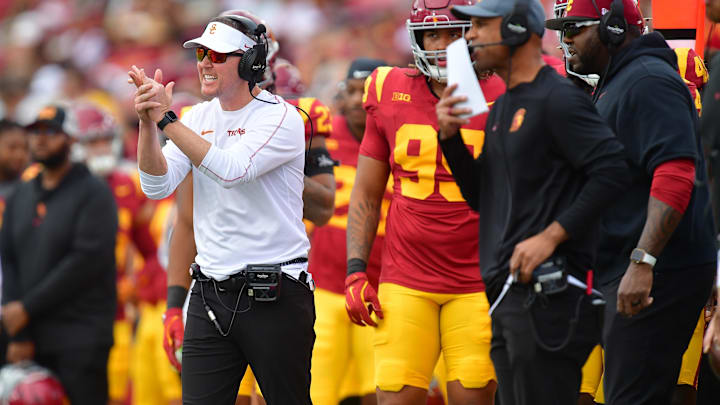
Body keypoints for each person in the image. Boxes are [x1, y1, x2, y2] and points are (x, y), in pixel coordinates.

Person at [437, 0, 629, 403]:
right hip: (510, 294)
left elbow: (613, 169)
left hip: (549, 294)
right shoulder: (505, 105)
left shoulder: (558, 98)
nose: (469, 35)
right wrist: (450, 140)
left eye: (479, 25)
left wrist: (552, 237)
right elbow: (481, 198)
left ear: (517, 27)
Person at [130, 13, 314, 405]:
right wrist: (148, 124)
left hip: (275, 292)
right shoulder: (196, 117)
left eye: (217, 54)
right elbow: (156, 185)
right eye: (201, 53)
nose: (205, 63)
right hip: (210, 292)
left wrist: (165, 119)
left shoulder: (281, 117)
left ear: (250, 62)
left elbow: (233, 170)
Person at [546, 1, 717, 404]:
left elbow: (676, 173)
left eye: (574, 29)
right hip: (628, 265)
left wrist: (643, 262)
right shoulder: (617, 81)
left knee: (633, 396)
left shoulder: (646, 80)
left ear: (613, 28)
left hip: (658, 270)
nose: (566, 41)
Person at [346, 1, 505, 404]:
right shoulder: (387, 88)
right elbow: (366, 191)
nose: (443, 45)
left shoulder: (505, 89)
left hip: (477, 277)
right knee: (397, 396)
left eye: (454, 33)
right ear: (417, 38)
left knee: (472, 397)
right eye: (433, 34)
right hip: (406, 278)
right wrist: (355, 270)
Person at [0, 104, 118, 405]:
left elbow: (85, 263)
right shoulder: (20, 195)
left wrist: (25, 308)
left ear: (71, 139)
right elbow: (9, 258)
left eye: (51, 132)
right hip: (32, 336)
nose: (40, 139)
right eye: (35, 132)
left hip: (81, 336)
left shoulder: (94, 193)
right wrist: (18, 330)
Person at [71, 101, 182, 405]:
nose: (102, 147)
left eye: (106, 139)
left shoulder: (127, 185)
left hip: (116, 311)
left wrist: (144, 283)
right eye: (93, 141)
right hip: (71, 310)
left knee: (117, 395)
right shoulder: (60, 186)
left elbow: (150, 249)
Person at [309, 58, 389, 405]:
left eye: (366, 91)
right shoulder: (322, 137)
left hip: (381, 287)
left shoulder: (398, 133)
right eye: (352, 91)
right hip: (323, 284)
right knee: (315, 391)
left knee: (377, 391)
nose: (358, 100)